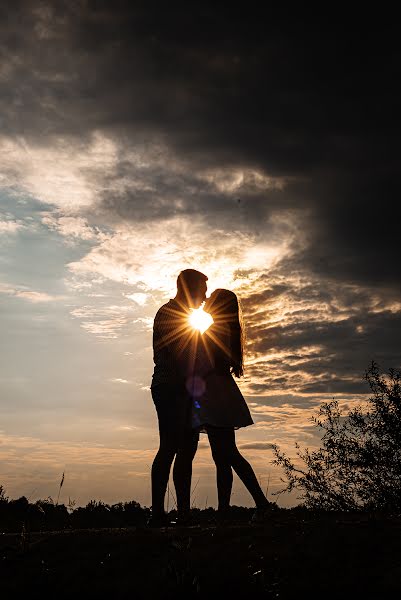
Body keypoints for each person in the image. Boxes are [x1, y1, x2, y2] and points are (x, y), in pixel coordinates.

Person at [192, 288, 272, 521]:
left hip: (216, 396)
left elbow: (213, 365)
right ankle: (225, 509)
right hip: (219, 394)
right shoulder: (225, 329)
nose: (206, 300)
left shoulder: (218, 330)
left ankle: (259, 503)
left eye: (212, 298)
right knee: (223, 456)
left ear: (219, 304)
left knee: (228, 454)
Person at [150, 268, 208, 526]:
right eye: (202, 291)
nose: (205, 297)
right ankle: (158, 513)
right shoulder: (169, 313)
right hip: (171, 388)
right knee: (170, 447)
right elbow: (179, 355)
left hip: (186, 391)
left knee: (187, 450)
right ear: (190, 288)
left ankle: (183, 512)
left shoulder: (188, 317)